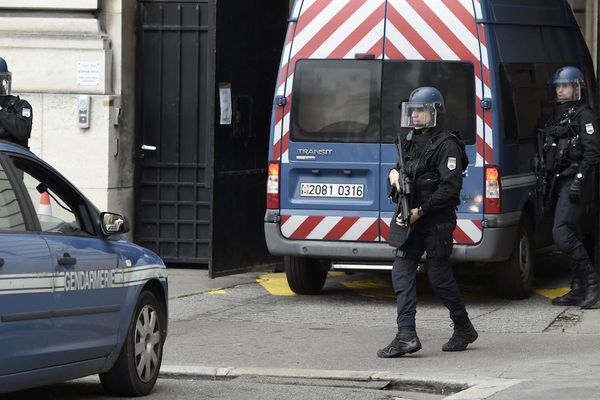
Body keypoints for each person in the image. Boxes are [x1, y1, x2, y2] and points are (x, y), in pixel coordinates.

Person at [377, 86, 477, 358]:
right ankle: (406, 334)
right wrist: (394, 175)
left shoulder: (447, 145)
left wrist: (420, 211)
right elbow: (406, 171)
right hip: (411, 218)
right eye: (413, 111)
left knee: (439, 278)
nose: (416, 116)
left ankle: (463, 327)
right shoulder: (409, 141)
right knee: (401, 271)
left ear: (434, 112)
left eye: (421, 110)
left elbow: (450, 188)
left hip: (436, 221)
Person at [540, 66, 600, 309]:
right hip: (559, 180)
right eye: (558, 86)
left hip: (576, 183)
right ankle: (578, 287)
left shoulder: (585, 116)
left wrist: (579, 180)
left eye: (564, 86)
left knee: (562, 232)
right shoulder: (559, 115)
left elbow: (593, 153)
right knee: (570, 232)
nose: (560, 90)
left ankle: (592, 282)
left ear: (576, 88)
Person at [0, 56, 32, 148]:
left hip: (11, 160)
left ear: (3, 80)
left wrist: (2, 112)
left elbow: (22, 132)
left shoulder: (20, 105)